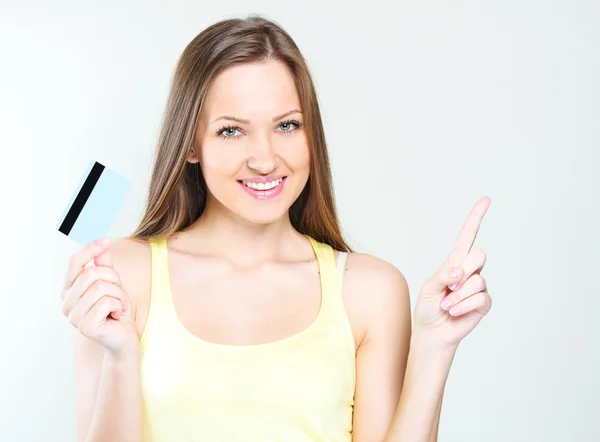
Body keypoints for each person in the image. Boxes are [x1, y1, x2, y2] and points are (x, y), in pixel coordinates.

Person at [60, 15, 492, 442]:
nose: (264, 160)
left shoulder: (370, 291)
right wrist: (118, 357)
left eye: (287, 125)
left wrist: (435, 347)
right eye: (232, 131)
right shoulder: (118, 275)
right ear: (191, 144)